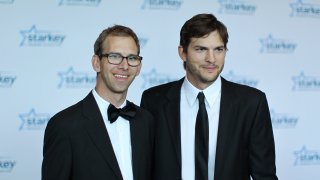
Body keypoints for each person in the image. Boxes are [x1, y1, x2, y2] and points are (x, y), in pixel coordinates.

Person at [140, 13, 278, 180]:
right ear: (183, 52)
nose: (211, 59)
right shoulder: (153, 100)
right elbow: (144, 169)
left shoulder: (252, 103)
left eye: (218, 49)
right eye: (201, 49)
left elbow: (264, 175)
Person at [42, 25, 154, 180]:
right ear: (96, 63)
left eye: (132, 58)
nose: (124, 66)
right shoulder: (64, 126)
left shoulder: (147, 121)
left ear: (139, 67)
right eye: (114, 56)